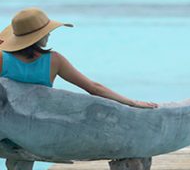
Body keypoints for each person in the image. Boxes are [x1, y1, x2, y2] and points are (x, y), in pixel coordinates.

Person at [0, 8, 158, 109]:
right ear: (39, 36)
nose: (49, 34)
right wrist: (132, 102)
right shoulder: (54, 61)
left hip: (9, 124)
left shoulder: (2, 58)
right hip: (37, 123)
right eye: (47, 32)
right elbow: (93, 88)